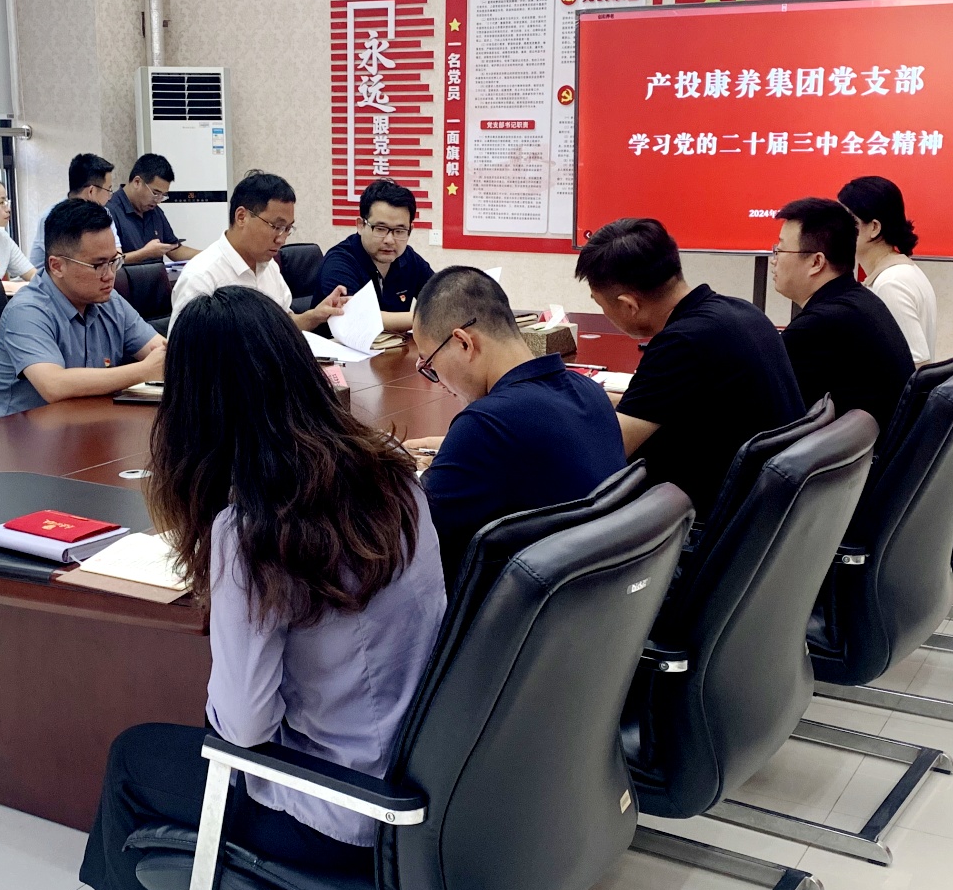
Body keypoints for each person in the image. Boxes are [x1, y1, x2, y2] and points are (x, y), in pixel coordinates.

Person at [80, 285, 445, 890]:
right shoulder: (396, 479)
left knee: (135, 761)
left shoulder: (252, 528)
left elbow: (244, 728)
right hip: (414, 773)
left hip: (334, 812)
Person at [401, 266, 626, 581]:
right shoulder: (590, 393)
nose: (436, 380)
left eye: (430, 363)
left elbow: (412, 534)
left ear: (464, 343)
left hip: (515, 603)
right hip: (595, 591)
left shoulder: (485, 425)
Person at [577, 218, 803, 517]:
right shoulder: (741, 312)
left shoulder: (682, 343)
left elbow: (607, 451)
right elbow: (655, 407)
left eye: (600, 304)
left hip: (707, 522)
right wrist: (591, 401)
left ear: (629, 305)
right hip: (768, 510)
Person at [0, 199, 165, 419]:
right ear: (57, 266)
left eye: (114, 261)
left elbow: (161, 353)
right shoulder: (26, 311)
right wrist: (143, 371)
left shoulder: (110, 301)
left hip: (85, 425)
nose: (109, 275)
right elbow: (54, 385)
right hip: (14, 435)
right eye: (98, 265)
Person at [770, 197, 914, 432]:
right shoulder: (860, 301)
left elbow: (772, 417)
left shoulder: (818, 326)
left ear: (816, 262)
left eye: (780, 249)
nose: (774, 260)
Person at [169, 170, 347, 330]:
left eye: (287, 229)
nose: (282, 239)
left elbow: (283, 326)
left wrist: (314, 316)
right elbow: (185, 351)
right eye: (276, 226)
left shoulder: (268, 267)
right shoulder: (201, 277)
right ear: (241, 217)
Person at [840, 176, 938, 364]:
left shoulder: (891, 284)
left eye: (846, 221)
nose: (836, 230)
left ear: (874, 228)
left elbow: (915, 362)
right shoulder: (897, 273)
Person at [318, 179, 434, 333]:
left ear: (410, 230)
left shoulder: (408, 258)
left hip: (393, 346)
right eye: (380, 229)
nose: (389, 240)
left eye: (399, 231)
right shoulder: (338, 262)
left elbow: (439, 296)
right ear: (360, 225)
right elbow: (359, 318)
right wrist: (428, 319)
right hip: (336, 348)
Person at [31, 154, 122, 266]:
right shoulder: (53, 217)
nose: (109, 196)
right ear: (91, 191)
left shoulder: (104, 214)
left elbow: (116, 254)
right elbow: (73, 265)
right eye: (108, 190)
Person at [107, 153, 195, 263]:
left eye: (163, 195)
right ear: (137, 182)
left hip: (156, 273)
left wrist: (210, 254)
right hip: (127, 274)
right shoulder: (109, 211)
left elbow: (174, 250)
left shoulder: (155, 212)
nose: (158, 200)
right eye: (155, 193)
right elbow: (109, 262)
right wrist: (145, 253)